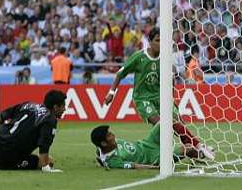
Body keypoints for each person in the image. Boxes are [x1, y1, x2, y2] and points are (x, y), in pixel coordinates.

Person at [104, 27, 215, 160]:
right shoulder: (139, 57)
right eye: (157, 40)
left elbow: (170, 81)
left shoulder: (165, 58)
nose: (160, 43)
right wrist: (111, 92)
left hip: (161, 97)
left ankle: (196, 151)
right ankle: (193, 148)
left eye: (162, 40)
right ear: (150, 41)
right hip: (143, 99)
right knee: (163, 123)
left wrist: (172, 101)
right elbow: (120, 74)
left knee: (179, 124)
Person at [0, 90, 66, 172]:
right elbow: (44, 145)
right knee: (45, 161)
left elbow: (4, 114)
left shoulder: (29, 104)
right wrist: (45, 166)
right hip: (9, 155)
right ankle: (1, 163)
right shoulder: (49, 119)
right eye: (63, 106)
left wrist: (1, 129)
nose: (64, 109)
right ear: (55, 107)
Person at [90, 125, 201, 169]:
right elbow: (134, 166)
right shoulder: (113, 161)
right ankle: (200, 154)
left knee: (166, 119)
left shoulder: (103, 147)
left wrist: (100, 160)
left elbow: (98, 151)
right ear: (104, 143)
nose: (113, 135)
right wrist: (155, 167)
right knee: (188, 148)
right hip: (155, 158)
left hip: (147, 143)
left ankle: (199, 147)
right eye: (109, 135)